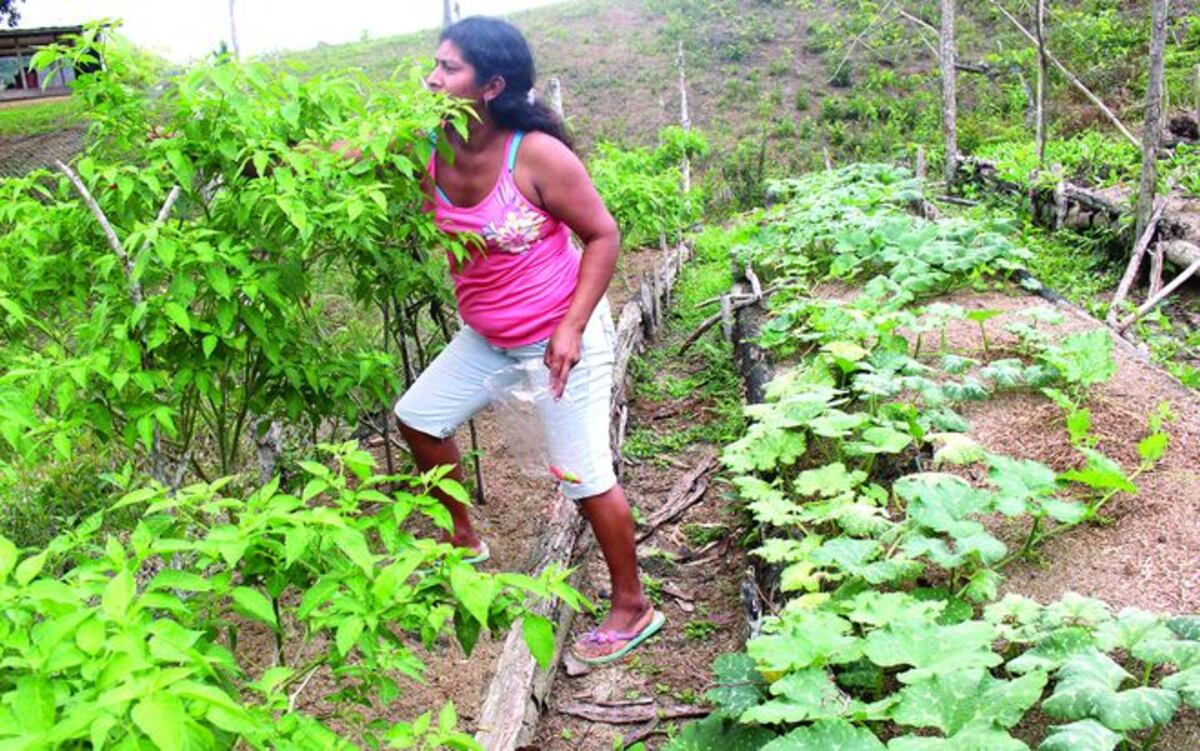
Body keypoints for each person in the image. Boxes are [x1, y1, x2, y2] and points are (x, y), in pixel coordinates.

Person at [392, 16, 662, 666]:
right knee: (420, 417)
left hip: (558, 334)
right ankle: (461, 541)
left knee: (581, 473)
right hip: (487, 335)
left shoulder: (535, 154)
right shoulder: (427, 143)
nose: (432, 77)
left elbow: (604, 234)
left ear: (492, 85)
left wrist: (570, 326)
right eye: (434, 63)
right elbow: (335, 155)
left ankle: (634, 604)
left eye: (448, 68)